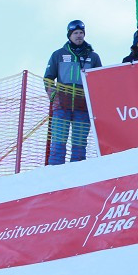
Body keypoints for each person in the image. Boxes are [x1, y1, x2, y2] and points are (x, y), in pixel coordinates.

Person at [43, 19, 103, 165]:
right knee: (58, 142)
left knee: (79, 145)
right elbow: (48, 78)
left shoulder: (93, 57)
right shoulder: (58, 54)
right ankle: (54, 172)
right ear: (69, 35)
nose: (79, 36)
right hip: (62, 106)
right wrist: (54, 96)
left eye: (81, 33)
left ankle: (77, 174)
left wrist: (94, 101)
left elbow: (99, 80)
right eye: (75, 33)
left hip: (82, 107)